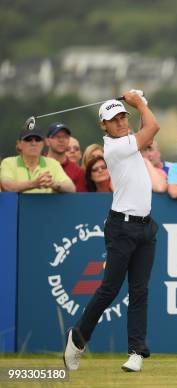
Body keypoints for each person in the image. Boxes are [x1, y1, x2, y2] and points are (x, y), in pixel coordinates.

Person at [63, 90, 160, 373]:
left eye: (122, 117)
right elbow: (153, 128)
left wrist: (143, 105)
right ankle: (78, 338)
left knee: (140, 291)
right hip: (121, 228)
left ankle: (135, 352)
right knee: (109, 289)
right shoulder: (114, 148)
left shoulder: (130, 142)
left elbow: (147, 131)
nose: (119, 122)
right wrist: (140, 103)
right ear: (103, 125)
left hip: (145, 227)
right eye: (113, 120)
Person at [0, 127, 76, 193]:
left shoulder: (53, 163)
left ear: (43, 143)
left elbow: (71, 188)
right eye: (28, 139)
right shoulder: (8, 162)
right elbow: (7, 187)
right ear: (19, 144)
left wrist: (52, 184)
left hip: (45, 208)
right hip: (17, 209)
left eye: (38, 139)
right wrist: (35, 183)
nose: (33, 143)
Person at [46, 122, 87, 192]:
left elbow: (80, 200)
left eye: (65, 137)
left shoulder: (77, 171)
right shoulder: (37, 163)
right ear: (47, 141)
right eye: (57, 137)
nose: (61, 140)